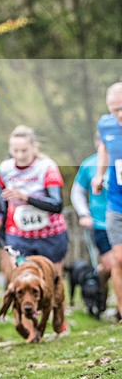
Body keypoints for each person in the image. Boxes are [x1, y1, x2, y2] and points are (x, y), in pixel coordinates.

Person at [0, 126, 68, 279]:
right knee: (22, 279)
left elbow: (57, 205)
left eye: (24, 150)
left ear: (34, 147)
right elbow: (3, 200)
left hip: (50, 234)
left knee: (51, 281)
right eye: (15, 151)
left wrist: (26, 198)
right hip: (19, 235)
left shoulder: (47, 167)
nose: (20, 155)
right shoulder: (5, 168)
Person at [71, 131, 112, 313]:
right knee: (111, 265)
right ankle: (102, 293)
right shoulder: (88, 165)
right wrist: (83, 214)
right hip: (101, 224)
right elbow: (77, 191)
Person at [93, 82, 122, 322]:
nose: (119, 115)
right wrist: (100, 174)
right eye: (115, 110)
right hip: (116, 202)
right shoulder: (106, 124)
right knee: (118, 259)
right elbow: (104, 147)